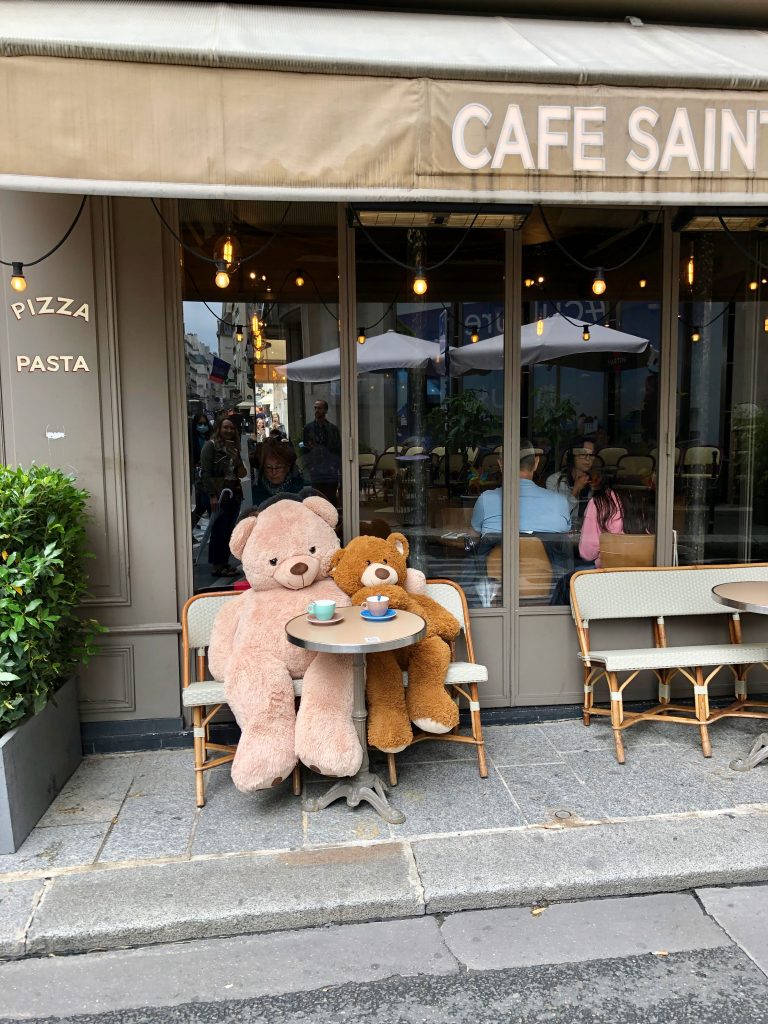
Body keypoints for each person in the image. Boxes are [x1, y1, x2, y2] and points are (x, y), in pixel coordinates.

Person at [200, 416, 248, 578]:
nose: (228, 431)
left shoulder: (235, 449)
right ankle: (216, 566)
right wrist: (212, 496)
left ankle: (224, 563)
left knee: (228, 530)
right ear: (219, 429)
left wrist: (236, 458)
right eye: (225, 427)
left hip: (233, 493)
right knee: (218, 530)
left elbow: (242, 474)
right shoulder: (211, 446)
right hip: (218, 494)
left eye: (231, 428)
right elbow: (205, 473)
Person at [579, 480, 654, 567]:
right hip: (648, 575)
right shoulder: (657, 501)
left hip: (608, 575)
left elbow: (587, 554)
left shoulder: (599, 503)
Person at [546, 437, 597, 526]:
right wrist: (575, 491)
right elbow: (556, 515)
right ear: (572, 455)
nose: (588, 459)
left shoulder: (594, 482)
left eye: (591, 455)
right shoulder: (554, 481)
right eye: (583, 453)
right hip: (561, 533)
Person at [302, 398, 342, 504]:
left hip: (330, 470)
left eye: (319, 408)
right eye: (315, 408)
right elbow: (305, 448)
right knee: (317, 497)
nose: (316, 411)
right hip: (316, 470)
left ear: (325, 410)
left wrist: (336, 467)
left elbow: (338, 449)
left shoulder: (333, 429)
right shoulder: (308, 428)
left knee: (331, 497)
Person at [250, 439, 306, 506]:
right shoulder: (255, 493)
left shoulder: (301, 491)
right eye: (269, 467)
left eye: (278, 467)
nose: (273, 472)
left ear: (287, 468)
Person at [189, 412, 212, 529]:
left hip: (209, 475)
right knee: (203, 502)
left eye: (204, 423)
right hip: (199, 475)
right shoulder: (192, 439)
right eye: (200, 424)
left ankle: (190, 526)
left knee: (202, 503)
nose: (202, 426)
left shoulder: (210, 438)